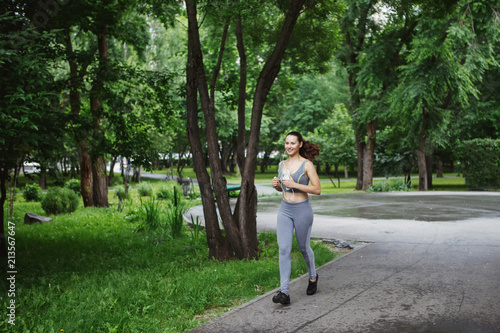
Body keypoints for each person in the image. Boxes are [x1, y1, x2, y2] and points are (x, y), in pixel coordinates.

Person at [271, 131, 321, 305]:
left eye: (292, 143)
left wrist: (295, 184)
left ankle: (313, 276)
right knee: (283, 250)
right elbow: (284, 189)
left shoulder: (307, 165)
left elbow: (317, 189)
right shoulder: (281, 164)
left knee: (303, 248)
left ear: (300, 144)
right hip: (285, 210)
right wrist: (277, 186)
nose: (289, 146)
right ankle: (284, 292)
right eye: (286, 143)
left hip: (302, 211)